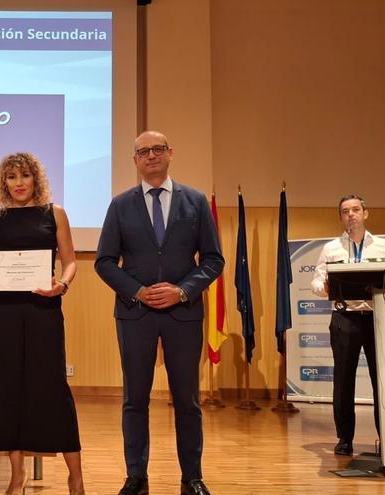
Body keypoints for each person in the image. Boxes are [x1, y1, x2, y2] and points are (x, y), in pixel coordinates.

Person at [95, 131, 223, 495]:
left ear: (170, 153)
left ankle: (192, 476)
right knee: (135, 399)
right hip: (136, 314)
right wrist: (137, 292)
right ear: (134, 159)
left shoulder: (195, 201)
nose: (150, 156)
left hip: (183, 313)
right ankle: (136, 476)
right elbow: (104, 262)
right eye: (142, 151)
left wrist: (183, 290)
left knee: (188, 399)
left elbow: (213, 259)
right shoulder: (120, 205)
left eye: (157, 149)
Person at [0, 152, 85, 495]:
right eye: (11, 177)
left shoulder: (56, 214)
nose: (18, 183)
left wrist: (61, 285)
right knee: (7, 389)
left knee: (52, 388)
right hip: (3, 312)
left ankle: (75, 476)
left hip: (43, 309)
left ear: (35, 178)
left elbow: (70, 262)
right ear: (3, 182)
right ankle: (17, 475)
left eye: (24, 176)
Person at [310, 194, 385, 456]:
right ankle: (344, 438)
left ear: (365, 214)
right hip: (344, 318)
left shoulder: (384, 246)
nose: (351, 215)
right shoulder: (331, 248)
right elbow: (316, 283)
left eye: (355, 210)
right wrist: (323, 288)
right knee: (343, 380)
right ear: (340, 217)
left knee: (382, 380)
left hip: (376, 318)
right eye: (345, 211)